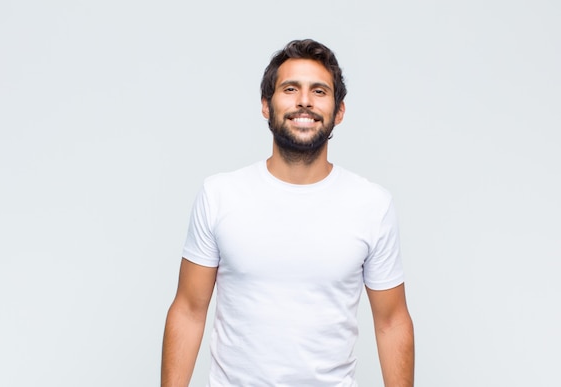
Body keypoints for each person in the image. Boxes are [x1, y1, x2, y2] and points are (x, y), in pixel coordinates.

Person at [161, 38, 415, 387]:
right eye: (290, 89)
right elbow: (189, 310)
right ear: (266, 105)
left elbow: (392, 321)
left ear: (339, 111)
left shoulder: (372, 204)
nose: (305, 101)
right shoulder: (220, 195)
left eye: (320, 91)